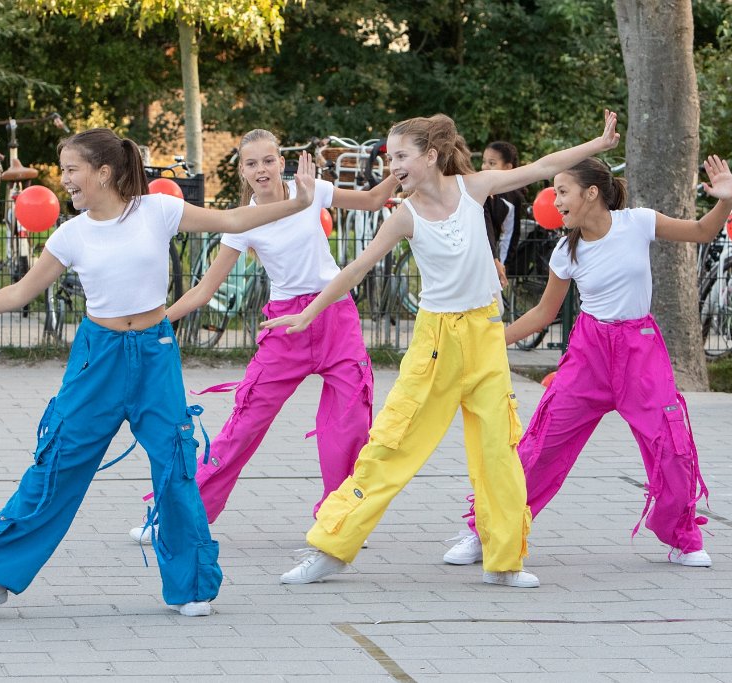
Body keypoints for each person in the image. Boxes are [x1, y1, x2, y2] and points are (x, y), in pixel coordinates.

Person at [0, 128, 317, 620]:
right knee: (56, 465)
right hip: (97, 358)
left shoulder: (157, 210)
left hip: (154, 354)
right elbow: (19, 294)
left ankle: (190, 586)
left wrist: (299, 203)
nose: (66, 182)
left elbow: (233, 218)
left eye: (72, 171)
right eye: (63, 172)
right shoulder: (72, 234)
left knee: (175, 465)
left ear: (103, 172)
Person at [263, 111, 621, 588]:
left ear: (431, 156)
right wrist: (310, 313)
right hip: (436, 344)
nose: (394, 165)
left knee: (499, 451)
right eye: (391, 158)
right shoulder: (404, 216)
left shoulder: (473, 188)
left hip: (485, 337)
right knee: (392, 446)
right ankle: (331, 547)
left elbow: (541, 166)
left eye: (402, 156)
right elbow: (354, 270)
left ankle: (505, 558)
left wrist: (596, 144)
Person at [443, 155, 732, 569]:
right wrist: (491, 340)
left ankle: (681, 536)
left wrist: (725, 199)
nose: (554, 200)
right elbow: (544, 314)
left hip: (641, 353)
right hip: (589, 355)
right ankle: (485, 531)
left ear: (591, 192)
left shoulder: (638, 223)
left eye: (562, 191)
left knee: (672, 446)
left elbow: (703, 230)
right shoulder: (565, 250)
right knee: (540, 447)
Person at [128, 128, 399, 543]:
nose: (261, 169)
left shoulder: (310, 190)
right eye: (251, 163)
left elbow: (373, 201)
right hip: (285, 328)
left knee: (351, 425)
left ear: (281, 162)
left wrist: (405, 168)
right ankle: (181, 516)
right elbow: (204, 289)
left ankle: (340, 521)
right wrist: (156, 319)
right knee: (243, 425)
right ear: (242, 170)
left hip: (334, 317)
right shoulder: (244, 222)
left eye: (268, 160)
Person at [482, 141, 526, 282]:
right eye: (484, 162)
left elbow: (511, 234)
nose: (485, 167)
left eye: (492, 163)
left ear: (508, 168)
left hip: (489, 259)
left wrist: (502, 264)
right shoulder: (478, 189)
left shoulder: (514, 198)